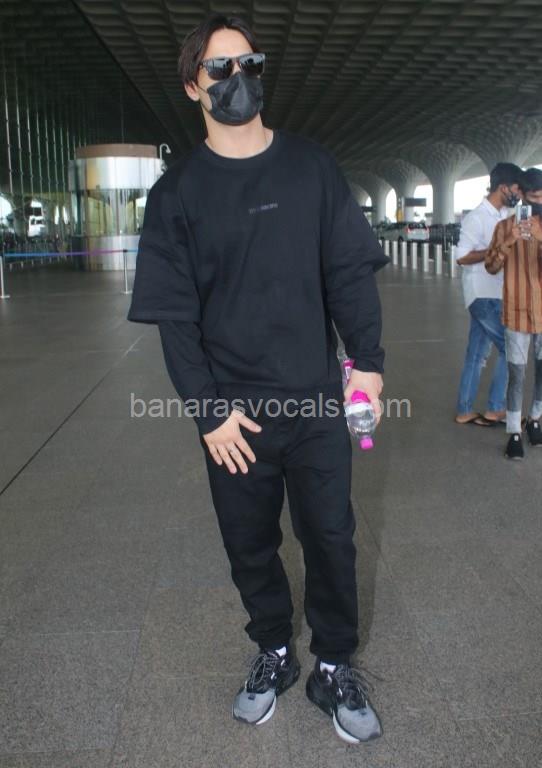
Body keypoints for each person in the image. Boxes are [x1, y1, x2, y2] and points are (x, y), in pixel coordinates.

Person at [127, 14, 389, 745]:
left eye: (249, 62)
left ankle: (333, 661)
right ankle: (273, 646)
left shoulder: (311, 168)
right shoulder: (177, 194)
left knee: (331, 537)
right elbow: (175, 319)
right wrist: (208, 412)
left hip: (316, 401)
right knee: (248, 541)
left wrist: (368, 365)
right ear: (193, 86)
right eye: (219, 68)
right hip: (233, 414)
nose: (236, 78)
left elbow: (349, 274)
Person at [454, 163, 523, 426]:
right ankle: (496, 407)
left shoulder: (507, 215)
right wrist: (495, 250)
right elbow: (461, 257)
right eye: (516, 188)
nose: (518, 194)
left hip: (495, 293)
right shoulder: (477, 217)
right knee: (510, 347)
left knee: (476, 355)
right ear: (503, 187)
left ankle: (464, 410)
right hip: (482, 295)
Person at [485, 167, 542, 459]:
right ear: (523, 196)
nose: (537, 203)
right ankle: (514, 432)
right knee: (517, 375)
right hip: (517, 311)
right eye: (533, 197)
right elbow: (491, 266)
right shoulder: (504, 227)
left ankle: (535, 419)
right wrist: (510, 240)